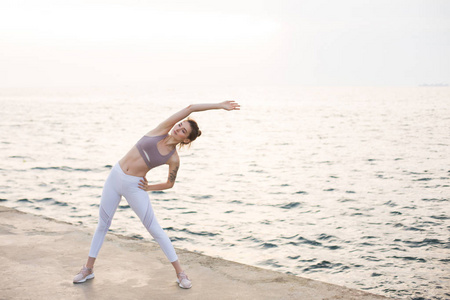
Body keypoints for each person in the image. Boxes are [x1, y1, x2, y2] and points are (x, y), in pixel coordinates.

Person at [73, 101, 240, 288]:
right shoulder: (161, 129)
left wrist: (149, 187)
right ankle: (88, 269)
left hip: (135, 186)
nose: (178, 129)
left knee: (155, 230)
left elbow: (170, 183)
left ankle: (181, 274)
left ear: (186, 140)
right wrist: (219, 105)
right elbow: (191, 107)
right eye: (180, 125)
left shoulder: (173, 158)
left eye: (183, 131)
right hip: (115, 176)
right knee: (103, 224)